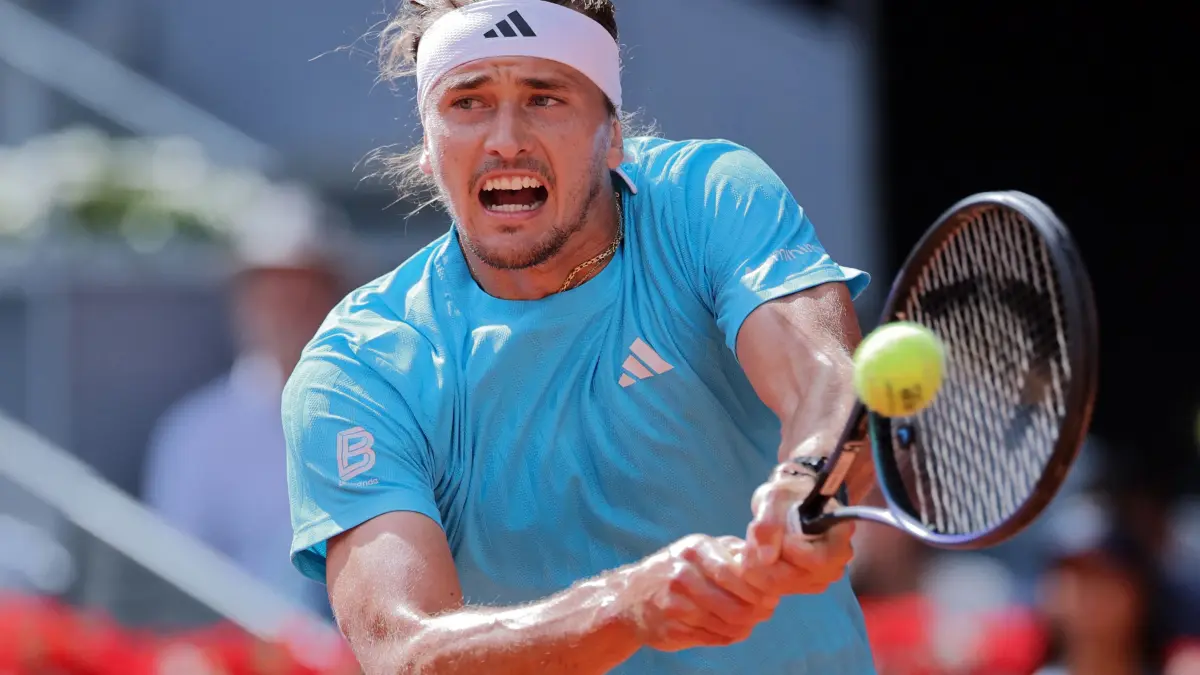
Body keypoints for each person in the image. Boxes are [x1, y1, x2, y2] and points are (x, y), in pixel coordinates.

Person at [283, 0, 877, 672]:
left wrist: (810, 482)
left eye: (545, 97)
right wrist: (624, 605)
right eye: (468, 101)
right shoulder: (360, 367)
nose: (506, 138)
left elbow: (824, 373)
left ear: (613, 132)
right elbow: (406, 650)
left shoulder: (710, 196)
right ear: (427, 143)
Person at [144, 229, 342, 619]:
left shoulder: (383, 416)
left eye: (303, 293)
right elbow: (174, 576)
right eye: (271, 295)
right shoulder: (195, 432)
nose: (287, 310)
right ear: (242, 303)